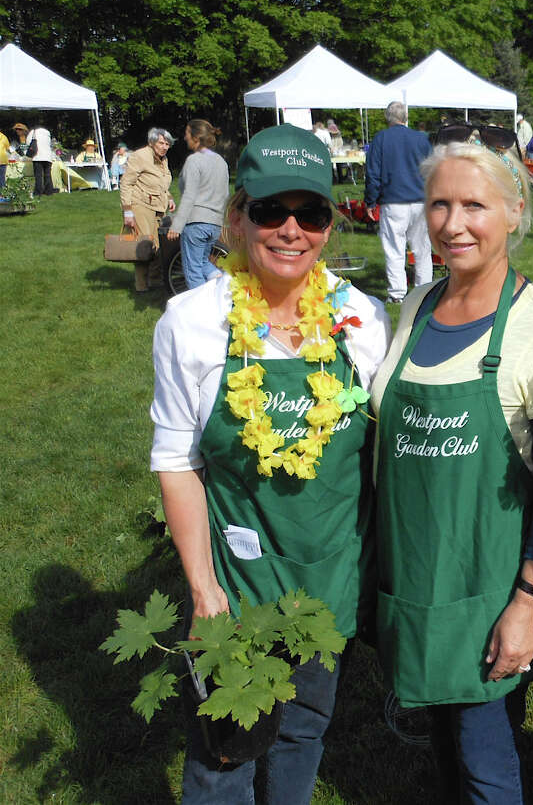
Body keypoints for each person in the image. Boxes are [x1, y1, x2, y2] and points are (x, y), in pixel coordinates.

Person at [151, 123, 389, 803]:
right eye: (270, 211)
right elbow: (175, 460)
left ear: (329, 223)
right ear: (236, 216)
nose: (291, 230)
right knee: (224, 752)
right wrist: (202, 590)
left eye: (310, 213)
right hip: (238, 585)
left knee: (302, 731)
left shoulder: (361, 320)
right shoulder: (193, 323)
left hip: (329, 581)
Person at [371, 131, 533, 804]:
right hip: (416, 581)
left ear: (515, 212)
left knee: (486, 762)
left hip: (487, 592)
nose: (452, 225)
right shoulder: (416, 306)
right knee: (445, 754)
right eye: (438, 205)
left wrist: (527, 601)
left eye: (474, 207)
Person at [367, 101, 434, 304]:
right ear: (405, 117)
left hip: (394, 201)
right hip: (420, 200)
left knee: (394, 249)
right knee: (422, 249)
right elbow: (432, 170)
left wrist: (370, 201)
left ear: (388, 118)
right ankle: (423, 291)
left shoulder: (381, 139)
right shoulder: (421, 139)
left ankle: (397, 294)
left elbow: (373, 173)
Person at [168, 119, 230, 289]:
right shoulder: (221, 162)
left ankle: (201, 311)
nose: (185, 137)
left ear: (196, 137)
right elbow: (225, 194)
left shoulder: (194, 160)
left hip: (196, 223)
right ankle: (221, 284)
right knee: (203, 262)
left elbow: (189, 195)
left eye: (187, 133)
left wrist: (177, 225)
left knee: (193, 271)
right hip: (215, 224)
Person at [121, 128, 176, 292]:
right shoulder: (140, 156)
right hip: (141, 206)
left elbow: (161, 183)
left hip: (159, 207)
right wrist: (128, 211)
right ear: (152, 142)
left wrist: (170, 198)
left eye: (167, 144)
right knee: (144, 245)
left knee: (159, 246)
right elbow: (126, 184)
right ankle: (141, 285)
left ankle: (155, 280)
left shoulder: (163, 159)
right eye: (161, 143)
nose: (165, 147)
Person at [29, 124, 54, 196]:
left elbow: (28, 143)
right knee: (47, 175)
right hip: (48, 156)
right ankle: (49, 191)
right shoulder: (47, 133)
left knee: (38, 175)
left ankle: (38, 191)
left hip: (38, 156)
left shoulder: (33, 132)